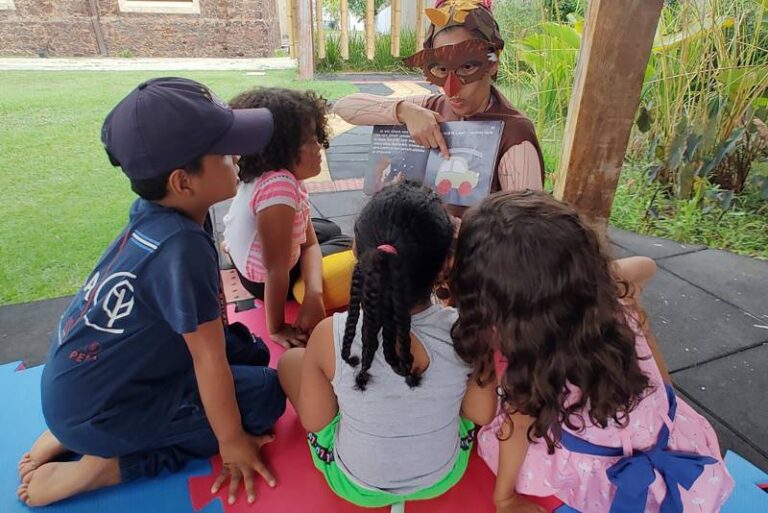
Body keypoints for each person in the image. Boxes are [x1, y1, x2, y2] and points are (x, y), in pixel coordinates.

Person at [17, 78, 286, 507]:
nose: (237, 157)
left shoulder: (156, 215)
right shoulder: (179, 249)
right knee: (265, 395)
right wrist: (232, 442)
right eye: (223, 151)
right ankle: (105, 464)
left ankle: (80, 425)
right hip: (101, 409)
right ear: (183, 182)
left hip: (84, 385)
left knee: (250, 350)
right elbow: (207, 358)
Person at [450, 190, 734, 513]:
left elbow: (486, 416)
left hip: (603, 474)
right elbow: (647, 265)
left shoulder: (529, 361)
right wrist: (595, 280)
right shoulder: (618, 305)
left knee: (501, 432)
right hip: (675, 441)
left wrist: (504, 499)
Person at [276, 182, 498, 507]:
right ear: (444, 266)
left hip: (354, 485)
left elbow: (315, 421)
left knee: (291, 362)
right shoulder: (466, 332)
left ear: (355, 251)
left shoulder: (330, 333)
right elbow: (480, 413)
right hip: (443, 476)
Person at [333, 0, 544, 218]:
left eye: (467, 66)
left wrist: (459, 232)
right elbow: (344, 107)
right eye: (441, 69)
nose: (451, 89)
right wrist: (404, 110)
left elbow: (527, 230)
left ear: (492, 63)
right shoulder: (432, 106)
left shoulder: (513, 134)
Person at [224, 88, 354, 349]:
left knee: (328, 229)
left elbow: (310, 243)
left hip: (259, 261)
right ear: (279, 148)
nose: (319, 147)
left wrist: (315, 294)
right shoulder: (279, 188)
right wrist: (277, 328)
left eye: (317, 136)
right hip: (265, 282)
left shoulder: (276, 174)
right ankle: (293, 295)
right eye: (309, 140)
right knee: (347, 243)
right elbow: (276, 270)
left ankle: (232, 249)